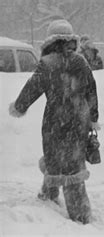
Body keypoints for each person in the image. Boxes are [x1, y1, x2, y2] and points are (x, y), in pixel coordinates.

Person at [8, 19, 99, 224]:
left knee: (55, 157)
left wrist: (20, 106)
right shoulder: (81, 62)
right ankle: (58, 201)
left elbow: (32, 88)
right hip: (79, 119)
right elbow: (91, 91)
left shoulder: (47, 64)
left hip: (55, 120)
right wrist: (92, 117)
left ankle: (78, 215)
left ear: (50, 40)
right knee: (73, 162)